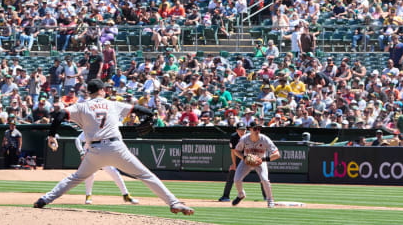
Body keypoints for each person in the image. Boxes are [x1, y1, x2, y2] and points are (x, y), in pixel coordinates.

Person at [33, 79, 193, 216]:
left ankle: (44, 199)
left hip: (94, 150)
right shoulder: (112, 104)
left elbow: (60, 114)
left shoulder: (82, 106)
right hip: (116, 147)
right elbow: (139, 109)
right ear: (102, 90)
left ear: (89, 92)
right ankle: (173, 203)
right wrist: (152, 115)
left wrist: (52, 135)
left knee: (74, 178)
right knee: (146, 175)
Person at [75, 132, 139, 205]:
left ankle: (126, 195)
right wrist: (81, 151)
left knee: (114, 172)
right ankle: (88, 196)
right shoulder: (90, 128)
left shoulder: (107, 129)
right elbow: (78, 139)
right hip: (90, 154)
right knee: (90, 175)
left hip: (103, 154)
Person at [232, 121, 280, 208]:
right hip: (247, 161)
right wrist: (244, 158)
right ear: (250, 129)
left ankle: (270, 200)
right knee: (237, 179)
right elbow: (236, 151)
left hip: (260, 162)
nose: (257, 130)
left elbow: (277, 154)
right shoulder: (244, 139)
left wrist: (263, 159)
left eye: (259, 128)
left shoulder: (264, 139)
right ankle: (241, 194)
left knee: (265, 180)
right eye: (255, 129)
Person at [219, 123, 267, 202]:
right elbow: (233, 152)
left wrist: (255, 159)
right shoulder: (234, 137)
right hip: (241, 156)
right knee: (232, 172)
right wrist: (234, 165)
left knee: (262, 175)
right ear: (236, 130)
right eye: (240, 130)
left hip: (254, 155)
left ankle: (266, 196)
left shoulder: (250, 136)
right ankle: (225, 196)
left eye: (244, 130)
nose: (242, 131)